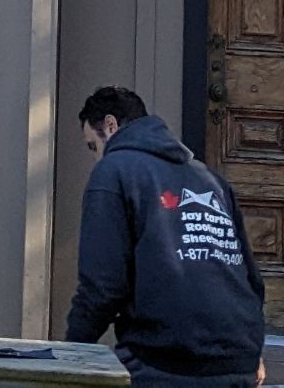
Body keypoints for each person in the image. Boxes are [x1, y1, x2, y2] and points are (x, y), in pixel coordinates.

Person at [64, 85, 268, 387]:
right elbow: (250, 278)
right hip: (240, 360)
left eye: (93, 146)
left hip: (166, 363)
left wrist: (71, 351)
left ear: (111, 125)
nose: (96, 158)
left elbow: (102, 287)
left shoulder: (114, 171)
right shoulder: (211, 180)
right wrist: (253, 354)